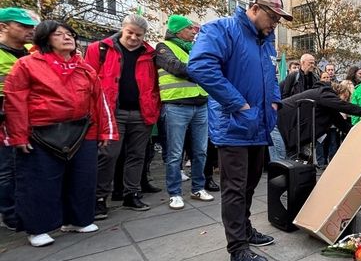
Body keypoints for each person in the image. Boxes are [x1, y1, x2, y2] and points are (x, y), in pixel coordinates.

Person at [188, 0, 286, 261]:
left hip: (259, 124)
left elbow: (272, 76)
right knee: (234, 188)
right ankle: (238, 248)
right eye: (272, 17)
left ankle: (245, 228)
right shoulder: (221, 29)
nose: (275, 24)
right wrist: (239, 104)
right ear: (254, 9)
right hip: (234, 125)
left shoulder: (266, 41)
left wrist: (275, 103)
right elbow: (200, 66)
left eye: (279, 20)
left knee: (250, 184)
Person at [4, 21, 117, 246]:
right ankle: (38, 228)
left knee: (82, 178)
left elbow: (99, 101)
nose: (67, 37)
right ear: (46, 39)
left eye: (69, 34)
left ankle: (77, 220)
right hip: (40, 133)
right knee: (40, 181)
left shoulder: (85, 68)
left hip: (82, 130)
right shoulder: (27, 65)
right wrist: (18, 136)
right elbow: (15, 101)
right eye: (59, 34)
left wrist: (105, 132)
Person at [87, 14, 161, 219]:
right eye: (130, 33)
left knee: (137, 156)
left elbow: (154, 83)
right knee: (108, 155)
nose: (134, 38)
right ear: (122, 29)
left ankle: (132, 194)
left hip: (142, 112)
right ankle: (99, 198)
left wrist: (155, 108)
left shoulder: (150, 54)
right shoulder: (99, 49)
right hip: (111, 113)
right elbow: (88, 81)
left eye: (139, 34)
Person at [155, 15, 214, 210]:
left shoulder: (193, 49)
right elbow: (176, 68)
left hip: (200, 104)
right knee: (175, 153)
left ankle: (198, 188)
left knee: (200, 151)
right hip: (176, 106)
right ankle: (174, 193)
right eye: (190, 29)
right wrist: (201, 69)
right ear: (178, 30)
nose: (194, 32)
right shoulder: (163, 47)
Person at [0, 7, 38, 231]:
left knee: (25, 166)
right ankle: (11, 214)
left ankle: (26, 208)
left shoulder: (30, 53)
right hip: (5, 119)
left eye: (30, 26)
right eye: (22, 26)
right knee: (7, 169)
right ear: (4, 27)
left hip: (30, 119)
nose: (29, 30)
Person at [278, 81, 361, 160]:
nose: (345, 100)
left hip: (288, 129)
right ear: (340, 92)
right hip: (280, 123)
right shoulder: (324, 93)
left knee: (291, 162)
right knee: (282, 160)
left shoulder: (328, 105)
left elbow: (343, 125)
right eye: (345, 97)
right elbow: (343, 106)